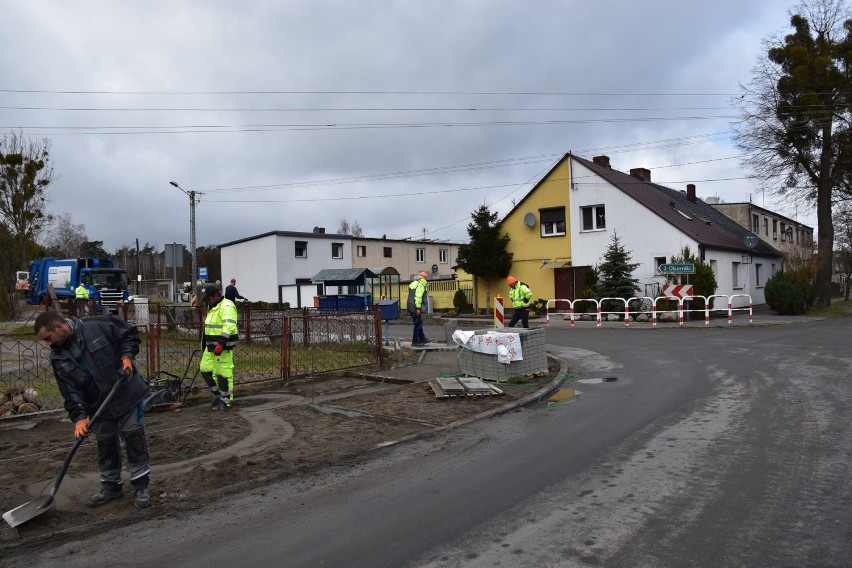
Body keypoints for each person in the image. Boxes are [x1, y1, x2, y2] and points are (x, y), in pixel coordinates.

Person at [34, 311, 152, 509]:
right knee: (105, 443)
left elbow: (129, 335)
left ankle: (141, 486)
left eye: (48, 337)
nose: (48, 343)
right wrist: (79, 418)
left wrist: (126, 357)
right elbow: (69, 392)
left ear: (59, 327)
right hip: (98, 405)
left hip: (126, 393)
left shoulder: (97, 325)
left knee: (133, 437)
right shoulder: (58, 357)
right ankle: (111, 486)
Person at [200, 284, 239, 411]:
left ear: (216, 296)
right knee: (205, 370)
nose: (208, 301)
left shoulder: (226, 306)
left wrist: (222, 343)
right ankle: (218, 395)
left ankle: (225, 400)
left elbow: (229, 325)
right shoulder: (213, 306)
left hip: (222, 347)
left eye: (209, 299)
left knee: (223, 374)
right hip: (211, 346)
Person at [407, 271, 430, 346]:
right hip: (415, 307)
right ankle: (415, 341)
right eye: (426, 278)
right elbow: (418, 297)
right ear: (424, 278)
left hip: (411, 306)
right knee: (417, 324)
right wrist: (418, 308)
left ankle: (422, 339)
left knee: (419, 322)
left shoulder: (414, 283)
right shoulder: (420, 284)